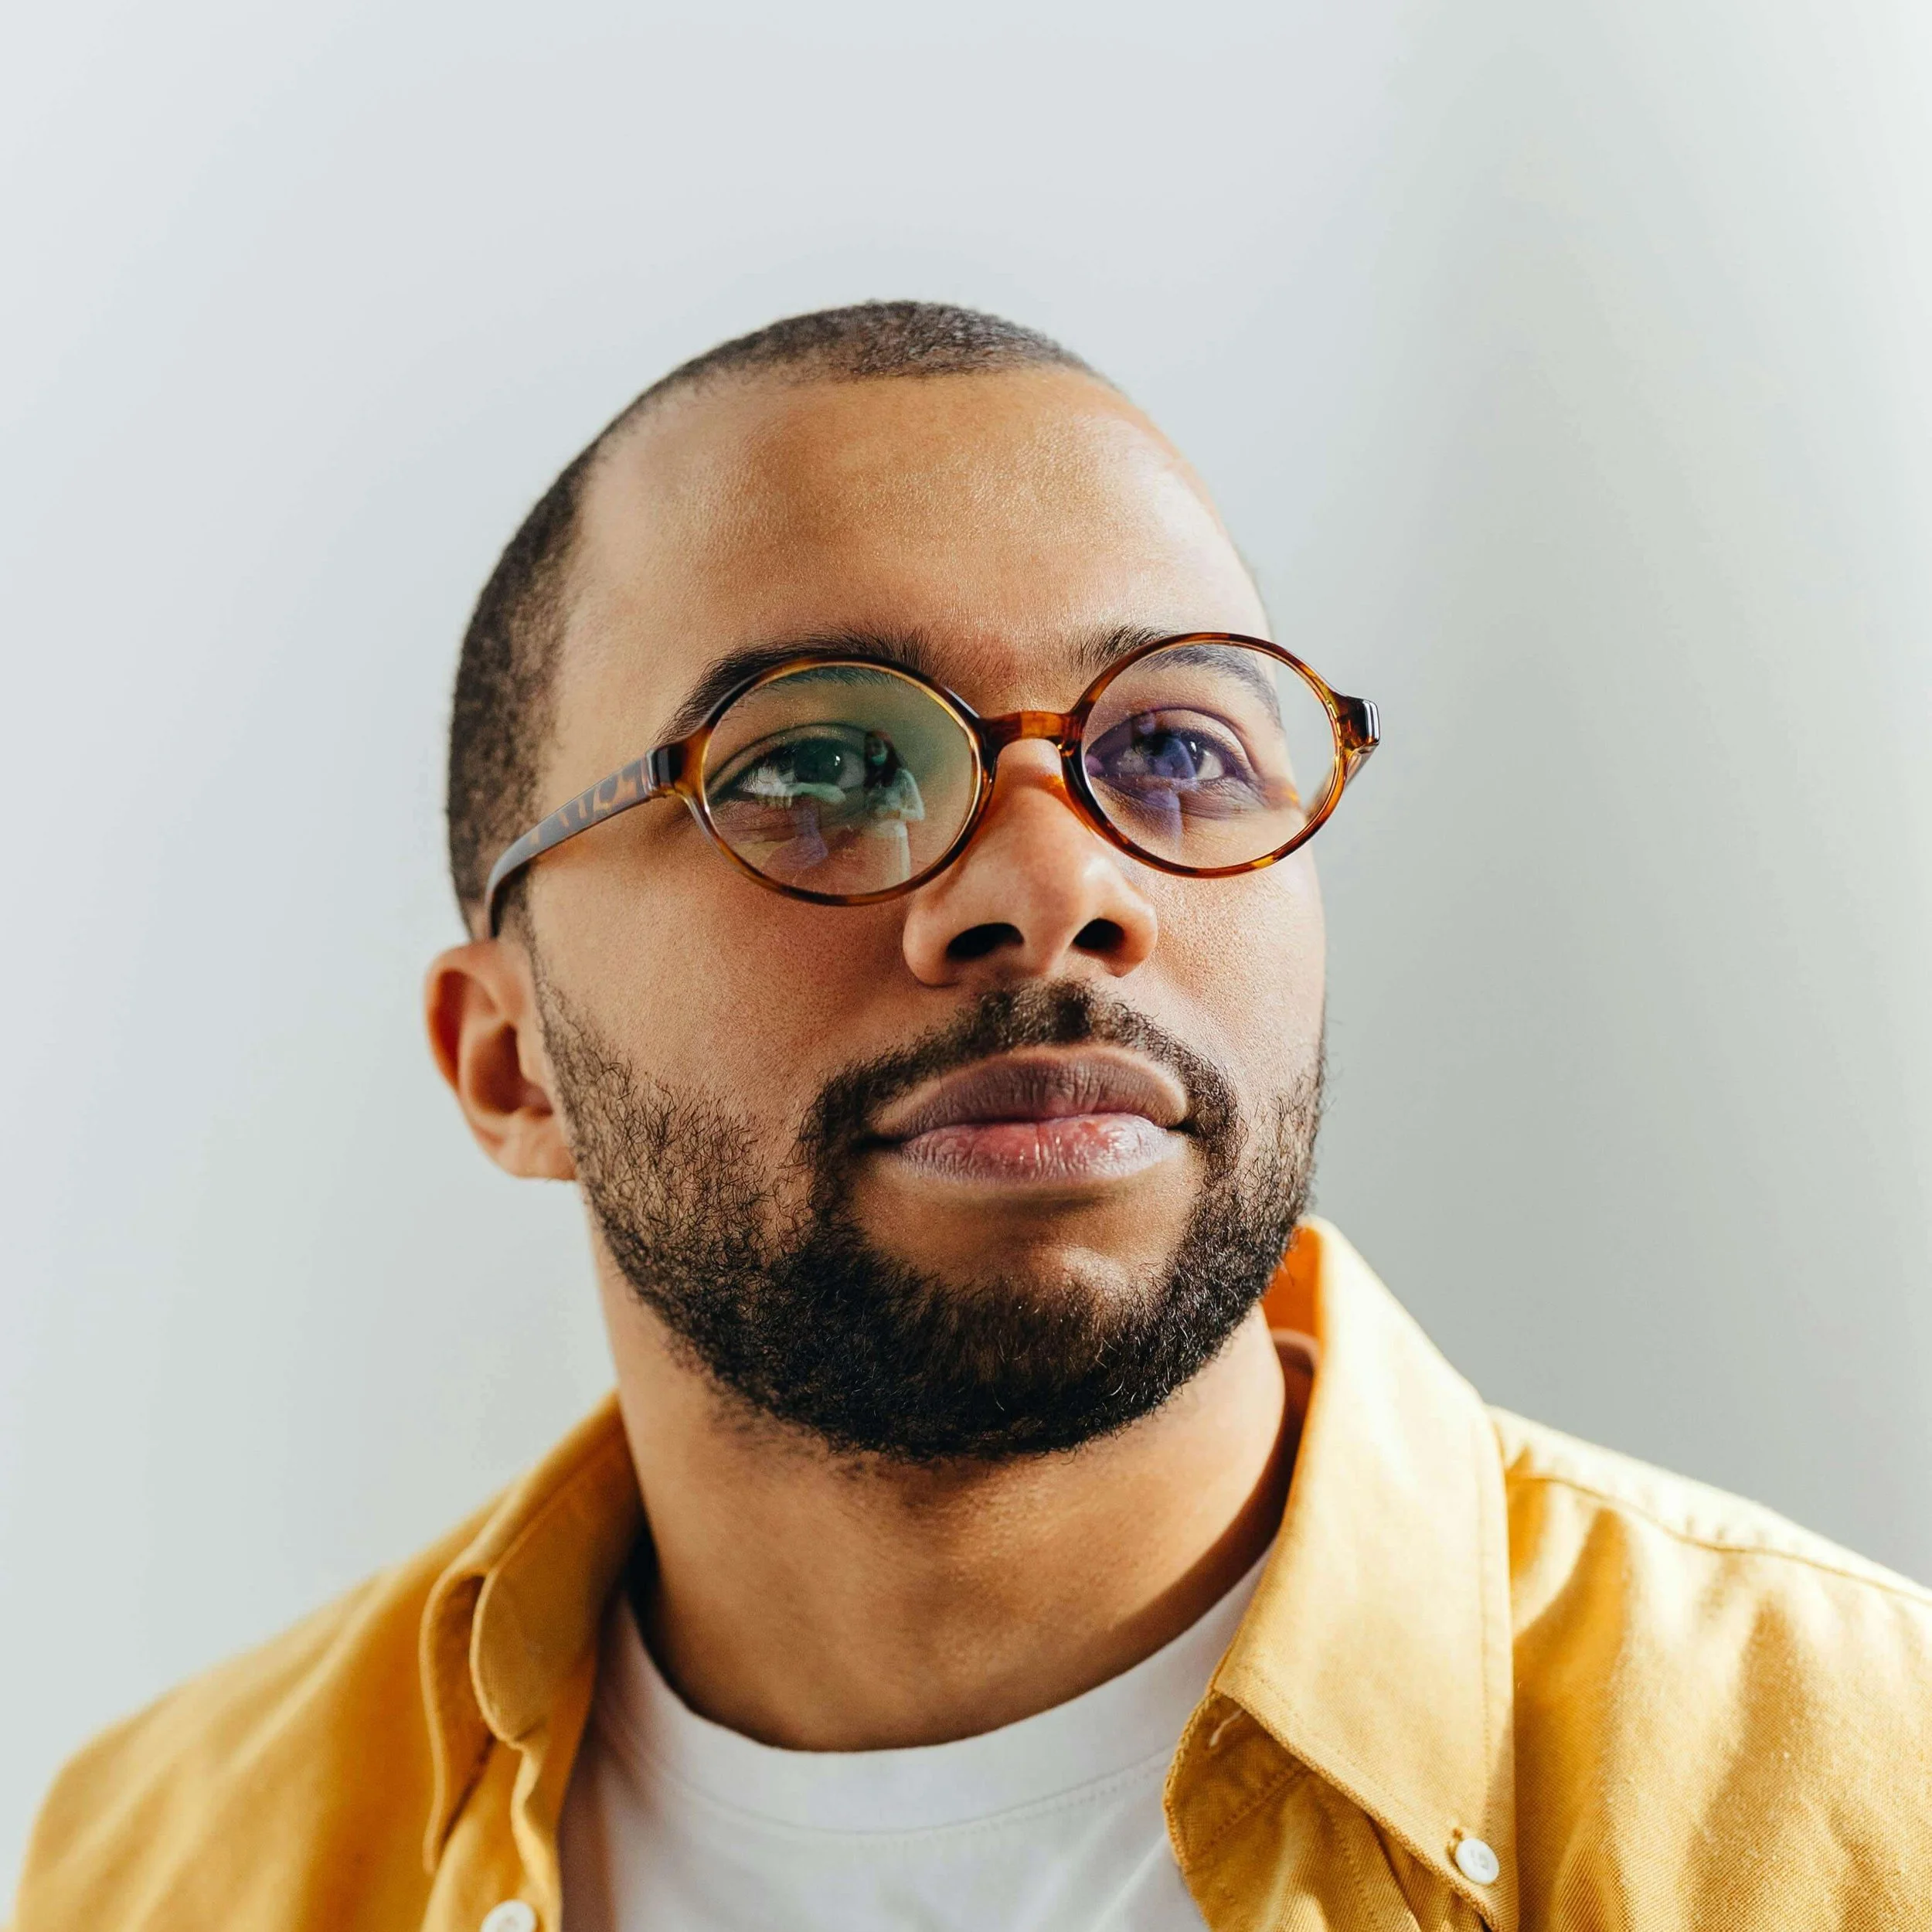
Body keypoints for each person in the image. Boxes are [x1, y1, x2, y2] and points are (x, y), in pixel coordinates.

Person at [12, 301, 1930, 1932]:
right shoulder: (164, 1862)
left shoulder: (1865, 1785)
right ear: (510, 1063)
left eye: (1176, 745)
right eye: (820, 762)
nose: (1053, 884)